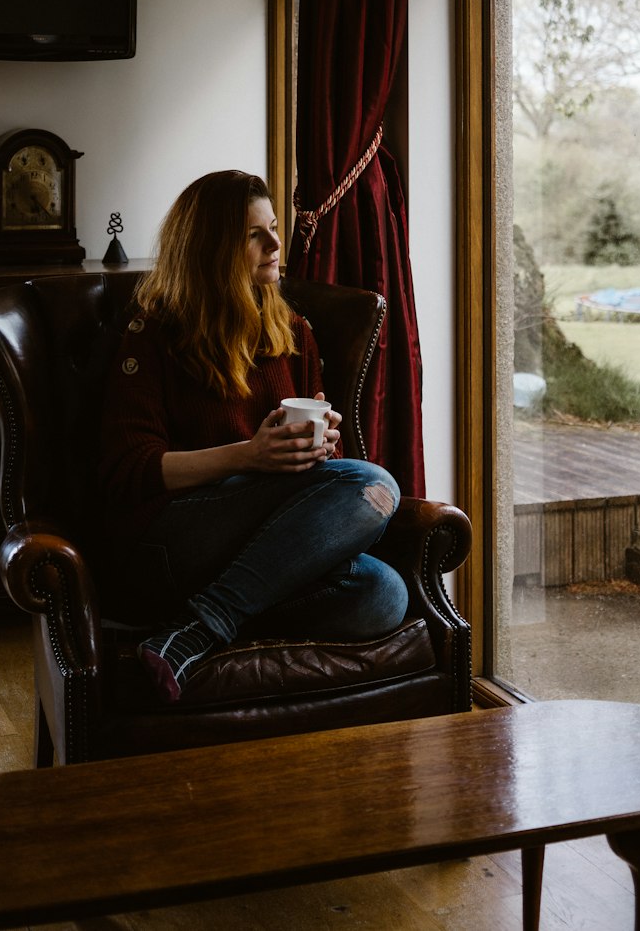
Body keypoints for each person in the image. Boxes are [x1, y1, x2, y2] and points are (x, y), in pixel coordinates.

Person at [97, 169, 408, 704]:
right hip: (170, 537)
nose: (275, 243)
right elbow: (128, 469)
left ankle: (196, 627)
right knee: (371, 484)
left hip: (256, 539)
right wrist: (250, 455)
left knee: (382, 593)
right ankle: (209, 619)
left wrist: (321, 446)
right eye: (253, 233)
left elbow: (322, 475)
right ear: (212, 246)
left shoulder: (293, 329)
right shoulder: (155, 331)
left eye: (274, 227)